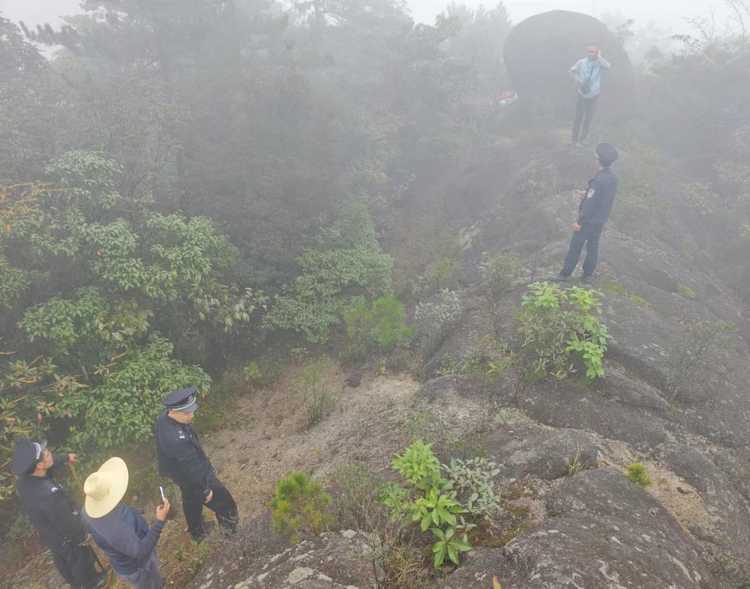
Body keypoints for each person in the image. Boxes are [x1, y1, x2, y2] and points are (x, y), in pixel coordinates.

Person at [13, 439, 106, 589]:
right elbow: (66, 521)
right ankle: (91, 583)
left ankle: (75, 583)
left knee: (61, 557)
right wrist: (82, 536)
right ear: (40, 465)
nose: (50, 453)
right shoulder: (49, 495)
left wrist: (66, 457)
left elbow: (50, 463)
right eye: (48, 453)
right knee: (79, 556)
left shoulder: (26, 479)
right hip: (63, 534)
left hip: (47, 531)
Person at [155, 387, 238, 542]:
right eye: (186, 413)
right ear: (173, 411)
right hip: (195, 474)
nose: (191, 416)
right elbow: (192, 469)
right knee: (225, 502)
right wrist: (205, 489)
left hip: (179, 473)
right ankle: (231, 537)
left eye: (192, 411)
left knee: (190, 499)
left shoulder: (163, 418)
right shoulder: (177, 442)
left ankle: (198, 531)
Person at [81, 457, 169, 589]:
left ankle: (155, 583)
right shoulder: (117, 528)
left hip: (123, 561)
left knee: (154, 580)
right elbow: (141, 552)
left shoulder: (86, 510)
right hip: (139, 567)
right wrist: (160, 521)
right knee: (149, 582)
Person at [551, 142, 619, 284]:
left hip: (588, 221)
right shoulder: (612, 178)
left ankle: (565, 274)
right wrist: (588, 192)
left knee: (575, 247)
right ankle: (587, 276)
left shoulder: (598, 180)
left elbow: (589, 205)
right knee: (593, 247)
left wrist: (579, 222)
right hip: (600, 220)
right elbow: (603, 196)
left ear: (598, 160)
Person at [569, 43, 611, 145]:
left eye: (593, 51)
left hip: (594, 94)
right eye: (589, 51)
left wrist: (600, 57)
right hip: (582, 93)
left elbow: (608, 66)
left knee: (588, 117)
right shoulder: (581, 62)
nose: (590, 54)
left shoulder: (599, 63)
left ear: (596, 52)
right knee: (579, 116)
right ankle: (574, 139)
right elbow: (571, 71)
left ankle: (583, 139)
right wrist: (578, 80)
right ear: (586, 52)